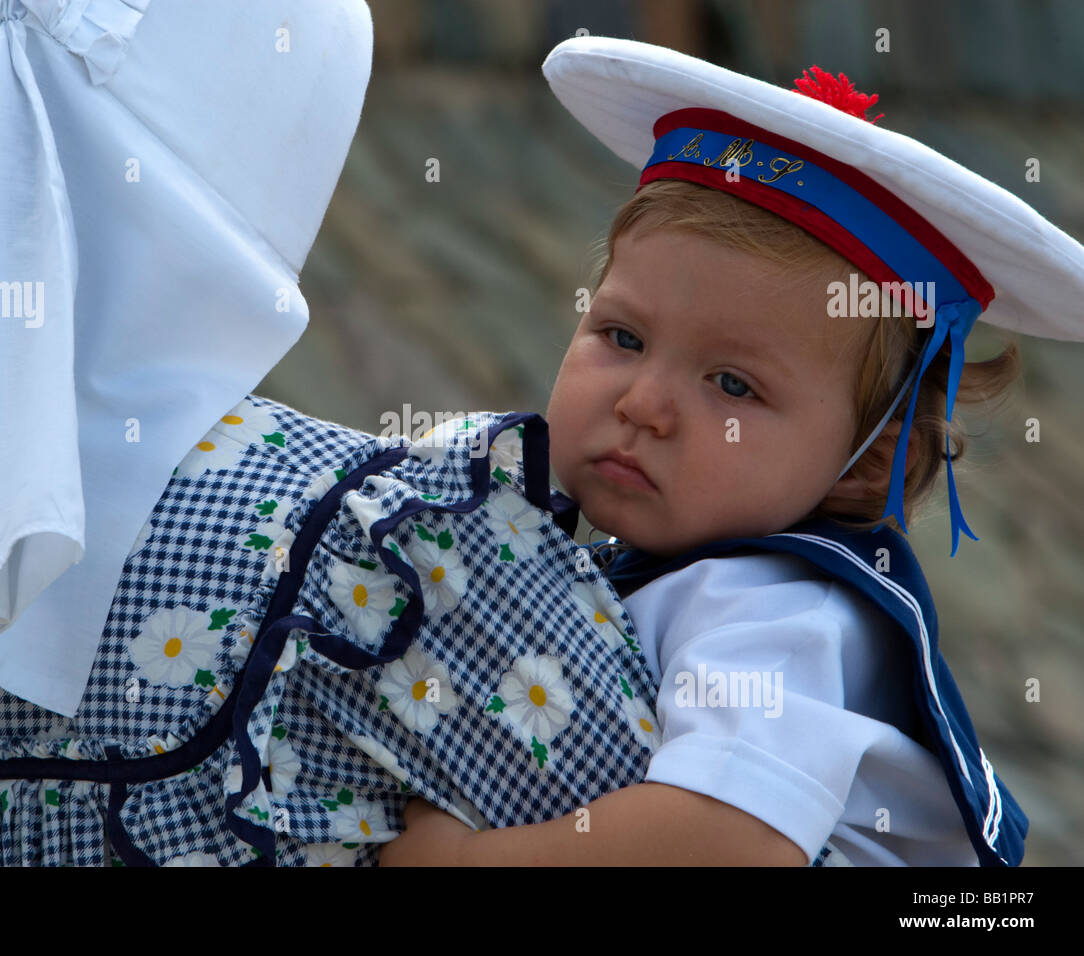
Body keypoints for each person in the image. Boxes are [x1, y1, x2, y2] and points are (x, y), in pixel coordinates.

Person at [377, 40, 1084, 866]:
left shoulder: (776, 611)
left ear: (863, 463)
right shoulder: (620, 556)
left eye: (734, 387)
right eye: (623, 335)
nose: (642, 404)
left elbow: (728, 842)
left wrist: (468, 862)